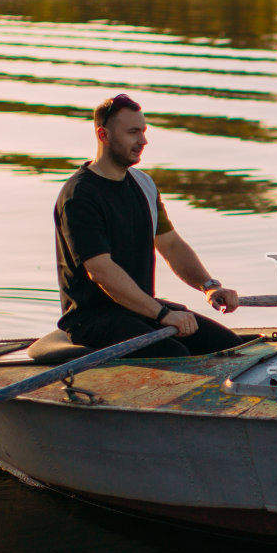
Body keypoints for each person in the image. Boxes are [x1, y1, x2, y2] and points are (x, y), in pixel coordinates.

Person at [55, 93, 245, 356]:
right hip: (92, 321)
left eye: (143, 132)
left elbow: (171, 245)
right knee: (176, 355)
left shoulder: (143, 184)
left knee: (233, 348)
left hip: (140, 310)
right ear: (103, 135)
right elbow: (100, 271)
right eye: (133, 132)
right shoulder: (79, 196)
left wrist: (209, 286)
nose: (143, 141)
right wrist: (163, 314)